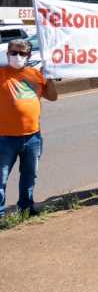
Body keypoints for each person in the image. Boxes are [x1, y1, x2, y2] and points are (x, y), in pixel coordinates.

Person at [0, 38, 58, 218]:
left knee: (29, 175)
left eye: (22, 53)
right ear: (7, 54)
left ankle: (26, 207)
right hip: (5, 137)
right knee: (1, 179)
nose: (17, 56)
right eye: (13, 52)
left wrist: (49, 78)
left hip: (33, 137)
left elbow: (53, 97)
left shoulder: (36, 75)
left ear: (29, 55)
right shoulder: (1, 73)